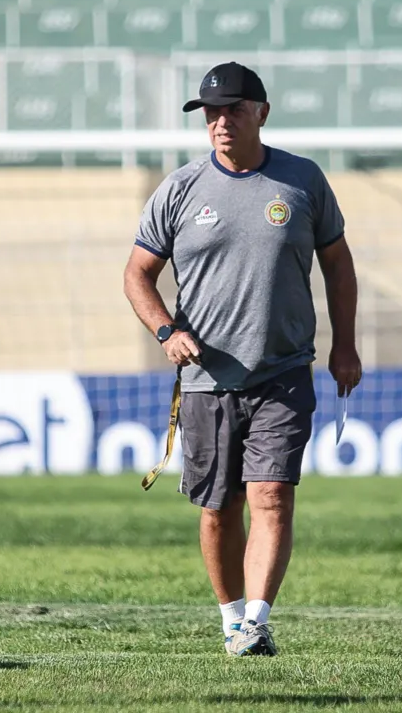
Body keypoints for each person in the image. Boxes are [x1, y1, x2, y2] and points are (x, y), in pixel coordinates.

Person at [123, 61, 361, 656]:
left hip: (283, 372)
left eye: (232, 109)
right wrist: (165, 331)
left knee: (272, 495)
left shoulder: (302, 181)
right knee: (218, 510)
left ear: (261, 112)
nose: (220, 121)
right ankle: (231, 618)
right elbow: (136, 275)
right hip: (204, 381)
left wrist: (346, 344)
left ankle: (257, 621)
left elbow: (338, 264)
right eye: (210, 112)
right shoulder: (179, 189)